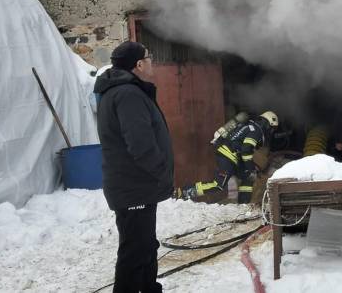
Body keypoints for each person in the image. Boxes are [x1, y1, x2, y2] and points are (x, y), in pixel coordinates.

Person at [95, 41, 173, 293]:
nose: (153, 63)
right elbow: (140, 145)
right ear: (139, 64)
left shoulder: (123, 91)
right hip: (133, 187)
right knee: (134, 251)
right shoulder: (127, 94)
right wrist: (162, 172)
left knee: (146, 245)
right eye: (150, 58)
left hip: (137, 186)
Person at [175, 111, 278, 203]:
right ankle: (184, 192)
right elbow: (246, 150)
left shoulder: (248, 125)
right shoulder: (256, 131)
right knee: (218, 185)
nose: (270, 131)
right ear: (267, 124)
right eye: (271, 128)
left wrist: (249, 170)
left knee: (247, 177)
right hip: (228, 156)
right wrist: (250, 168)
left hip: (232, 156)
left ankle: (243, 206)